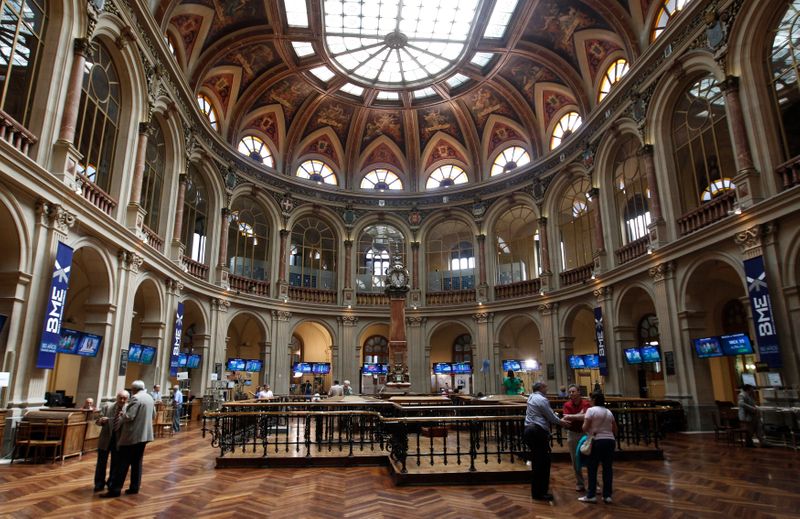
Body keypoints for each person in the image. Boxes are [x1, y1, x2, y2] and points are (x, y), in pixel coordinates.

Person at [102, 380, 155, 498]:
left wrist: (122, 415)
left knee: (122, 463)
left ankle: (115, 490)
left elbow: (130, 416)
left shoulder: (136, 398)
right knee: (137, 462)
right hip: (145, 436)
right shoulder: (150, 397)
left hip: (132, 436)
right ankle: (134, 487)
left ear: (133, 389)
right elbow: (153, 415)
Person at [524, 381, 570, 501]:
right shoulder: (541, 399)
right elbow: (550, 416)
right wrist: (562, 422)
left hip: (529, 430)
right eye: (545, 387)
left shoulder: (531, 397)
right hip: (537, 431)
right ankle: (540, 493)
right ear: (541, 388)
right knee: (543, 463)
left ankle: (537, 492)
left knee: (537, 462)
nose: (547, 388)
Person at [578, 391, 617, 504]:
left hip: (597, 441)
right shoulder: (609, 412)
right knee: (608, 469)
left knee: (592, 468)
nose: (589, 400)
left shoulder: (591, 410)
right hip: (610, 441)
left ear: (594, 399)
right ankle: (607, 496)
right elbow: (615, 429)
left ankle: (591, 495)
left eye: (590, 398)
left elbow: (584, 428)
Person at [93, 390, 128, 492]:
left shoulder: (128, 409)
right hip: (106, 438)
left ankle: (111, 482)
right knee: (101, 462)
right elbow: (97, 421)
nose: (122, 400)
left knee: (115, 463)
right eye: (120, 398)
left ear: (127, 399)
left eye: (124, 398)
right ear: (116, 397)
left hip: (119, 439)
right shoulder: (107, 406)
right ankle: (99, 483)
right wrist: (101, 421)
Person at [562, 384, 591, 492]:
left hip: (585, 433)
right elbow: (566, 419)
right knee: (575, 460)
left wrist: (572, 416)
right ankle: (580, 483)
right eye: (569, 392)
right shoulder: (567, 404)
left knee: (589, 458)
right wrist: (579, 415)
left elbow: (587, 416)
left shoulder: (586, 403)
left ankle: (594, 483)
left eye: (573, 391)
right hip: (572, 434)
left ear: (579, 392)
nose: (571, 394)